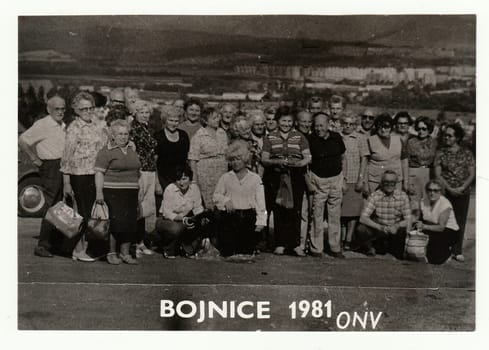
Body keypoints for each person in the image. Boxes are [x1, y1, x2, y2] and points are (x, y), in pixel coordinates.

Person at [60, 92, 106, 262]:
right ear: (77, 110)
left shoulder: (98, 126)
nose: (88, 111)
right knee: (81, 214)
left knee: (92, 214)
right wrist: (66, 183)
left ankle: (86, 247)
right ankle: (77, 249)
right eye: (84, 108)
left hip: (95, 175)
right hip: (78, 176)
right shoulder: (73, 128)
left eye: (90, 108)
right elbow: (66, 157)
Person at [19, 96, 67, 257]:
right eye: (57, 109)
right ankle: (42, 245)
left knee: (60, 205)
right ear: (49, 110)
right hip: (51, 166)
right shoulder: (43, 124)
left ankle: (54, 244)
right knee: (51, 204)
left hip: (62, 165)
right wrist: (34, 158)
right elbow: (23, 140)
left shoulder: (62, 125)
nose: (60, 112)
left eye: (63, 108)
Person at [262, 105, 311, 256]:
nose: (286, 124)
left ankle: (295, 244)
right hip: (276, 178)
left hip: (296, 177)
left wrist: (299, 164)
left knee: (295, 210)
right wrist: (277, 162)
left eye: (289, 121)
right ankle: (280, 243)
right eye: (283, 121)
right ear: (277, 121)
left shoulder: (300, 137)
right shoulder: (270, 138)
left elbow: (307, 157)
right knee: (279, 210)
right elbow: (264, 159)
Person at [94, 119, 141, 265]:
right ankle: (111, 252)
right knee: (115, 223)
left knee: (130, 223)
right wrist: (99, 193)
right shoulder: (105, 152)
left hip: (131, 192)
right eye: (120, 134)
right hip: (112, 192)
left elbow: (137, 172)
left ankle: (125, 253)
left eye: (126, 134)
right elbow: (99, 173)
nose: (123, 137)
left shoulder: (132, 149)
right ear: (113, 135)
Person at [213, 141, 266, 257]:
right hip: (230, 218)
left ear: (245, 159)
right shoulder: (226, 177)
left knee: (244, 253)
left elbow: (261, 203)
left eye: (238, 159)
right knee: (228, 253)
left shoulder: (255, 179)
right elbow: (216, 195)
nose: (235, 162)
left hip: (248, 218)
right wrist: (225, 201)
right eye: (232, 160)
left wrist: (261, 222)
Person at [434, 123, 475, 263]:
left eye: (449, 135)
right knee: (444, 220)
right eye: (445, 135)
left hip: (463, 192)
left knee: (460, 221)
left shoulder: (466, 152)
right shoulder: (440, 153)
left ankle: (457, 251)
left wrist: (462, 187)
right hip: (446, 192)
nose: (446, 138)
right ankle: (443, 249)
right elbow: (438, 174)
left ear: (457, 138)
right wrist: (450, 189)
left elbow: (472, 173)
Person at [308, 113, 346, 258]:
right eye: (316, 125)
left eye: (321, 125)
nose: (319, 129)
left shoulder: (336, 137)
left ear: (328, 124)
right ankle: (316, 248)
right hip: (318, 180)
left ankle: (335, 247)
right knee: (317, 215)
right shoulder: (310, 139)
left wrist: (344, 179)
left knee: (334, 215)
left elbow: (343, 157)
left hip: (336, 179)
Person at [353, 170, 412, 258]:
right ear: (382, 182)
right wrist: (379, 227)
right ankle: (370, 247)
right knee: (361, 229)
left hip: (395, 229)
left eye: (392, 182)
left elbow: (409, 219)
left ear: (396, 183)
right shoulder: (375, 195)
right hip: (380, 228)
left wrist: (397, 226)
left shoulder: (403, 196)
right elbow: (363, 218)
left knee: (403, 233)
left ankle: (396, 249)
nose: (389, 184)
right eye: (386, 182)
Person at [156, 165, 211, 258]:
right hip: (166, 220)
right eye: (178, 179)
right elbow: (167, 213)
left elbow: (198, 208)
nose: (181, 183)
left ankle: (188, 249)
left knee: (203, 222)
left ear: (190, 179)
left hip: (184, 219)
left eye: (184, 179)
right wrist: (184, 219)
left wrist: (200, 219)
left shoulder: (194, 188)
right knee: (176, 228)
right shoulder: (170, 189)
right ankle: (168, 249)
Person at [130, 100, 158, 257]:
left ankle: (141, 242)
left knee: (145, 208)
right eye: (141, 112)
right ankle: (133, 243)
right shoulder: (133, 129)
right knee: (136, 207)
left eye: (147, 112)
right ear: (135, 113)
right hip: (139, 171)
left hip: (150, 171)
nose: (145, 115)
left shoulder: (148, 128)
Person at [188, 107, 228, 209]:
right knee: (209, 204)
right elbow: (193, 159)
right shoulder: (199, 135)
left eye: (218, 117)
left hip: (222, 173)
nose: (218, 119)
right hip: (205, 176)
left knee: (222, 201)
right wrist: (194, 180)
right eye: (214, 118)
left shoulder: (222, 133)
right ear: (206, 121)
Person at [340, 112, 368, 250]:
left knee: (353, 212)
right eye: (345, 123)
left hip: (355, 178)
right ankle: (341, 236)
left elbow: (364, 159)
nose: (348, 126)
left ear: (355, 125)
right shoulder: (337, 137)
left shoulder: (360, 138)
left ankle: (349, 238)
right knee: (341, 212)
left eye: (351, 124)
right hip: (341, 179)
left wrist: (360, 179)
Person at [416, 180, 459, 264]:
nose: (432, 193)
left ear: (441, 192)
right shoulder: (423, 201)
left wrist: (424, 226)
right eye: (430, 190)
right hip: (432, 228)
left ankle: (448, 254)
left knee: (435, 260)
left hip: (449, 231)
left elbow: (441, 227)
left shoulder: (445, 204)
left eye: (436, 190)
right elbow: (418, 217)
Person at [365, 113, 409, 193]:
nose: (383, 130)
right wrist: (365, 184)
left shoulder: (398, 140)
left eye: (386, 127)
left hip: (396, 181)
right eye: (380, 127)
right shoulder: (370, 141)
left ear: (391, 127)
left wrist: (405, 182)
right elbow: (365, 163)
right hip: (376, 181)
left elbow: (404, 161)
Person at [155, 105, 190, 194]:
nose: (173, 124)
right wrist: (156, 183)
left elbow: (187, 160)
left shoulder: (183, 135)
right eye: (170, 120)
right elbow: (153, 162)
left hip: (180, 179)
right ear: (164, 120)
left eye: (176, 121)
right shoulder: (158, 136)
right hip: (163, 178)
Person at [406, 116, 438, 200]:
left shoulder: (434, 143)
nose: (421, 131)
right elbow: (406, 161)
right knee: (414, 202)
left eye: (424, 129)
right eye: (419, 128)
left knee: (428, 202)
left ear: (429, 129)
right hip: (414, 173)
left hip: (429, 174)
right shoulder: (410, 142)